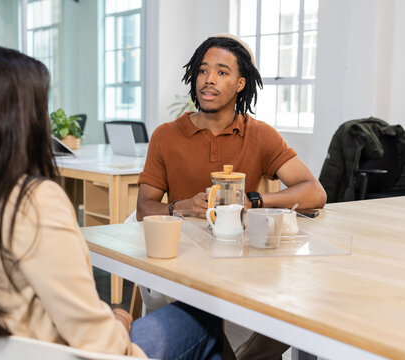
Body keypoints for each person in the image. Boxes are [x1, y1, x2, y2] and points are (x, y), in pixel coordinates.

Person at [0, 45, 230, 360]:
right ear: (18, 121)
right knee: (205, 315)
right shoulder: (34, 201)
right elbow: (99, 344)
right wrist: (119, 323)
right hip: (65, 352)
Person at [136, 35, 327, 359]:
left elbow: (314, 191)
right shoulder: (166, 136)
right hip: (184, 266)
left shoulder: (260, 134)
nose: (209, 79)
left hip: (243, 267)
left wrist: (254, 202)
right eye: (202, 70)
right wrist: (177, 206)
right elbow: (143, 209)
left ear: (241, 83)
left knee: (294, 313)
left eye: (222, 72)